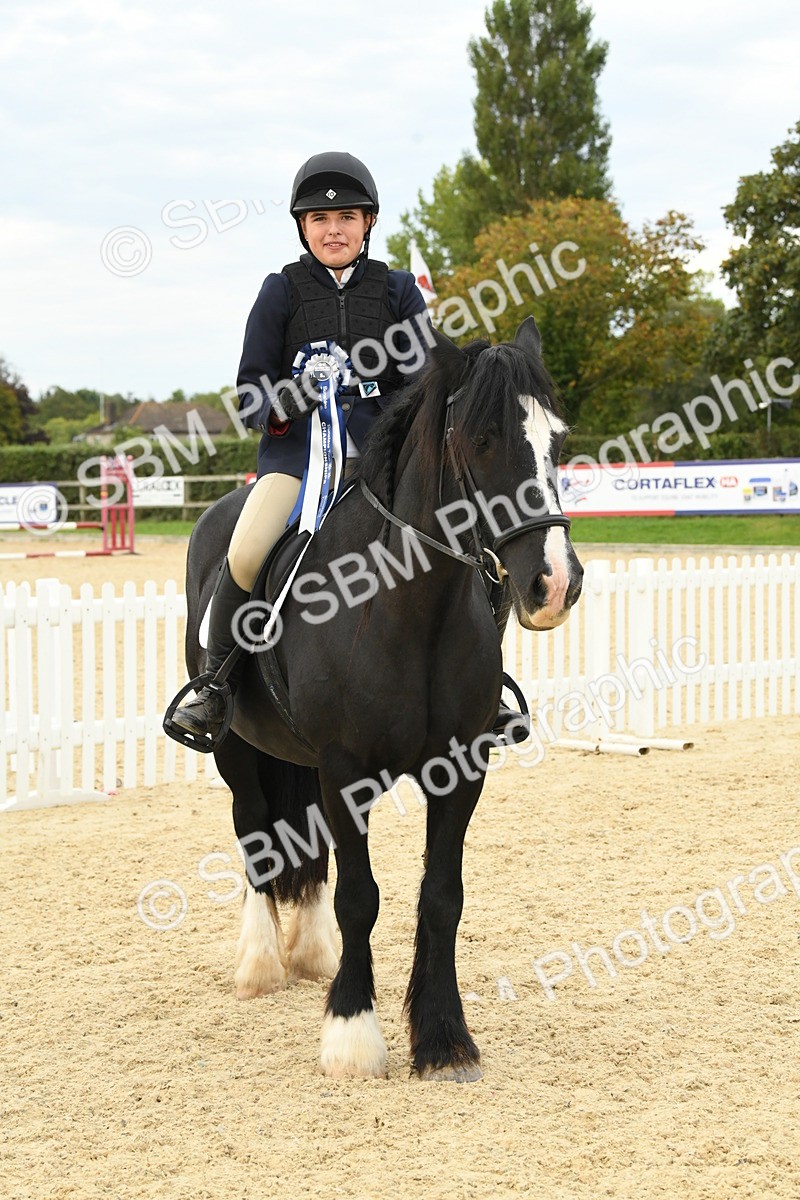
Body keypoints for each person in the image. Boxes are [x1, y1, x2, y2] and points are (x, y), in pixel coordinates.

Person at [170, 151, 527, 746]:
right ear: (303, 228)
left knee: (470, 543)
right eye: (318, 221)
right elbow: (250, 393)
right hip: (296, 465)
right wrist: (291, 397)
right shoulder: (280, 292)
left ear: (367, 224)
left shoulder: (397, 291)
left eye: (346, 219)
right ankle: (216, 684)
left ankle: (483, 688)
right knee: (247, 549)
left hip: (386, 467)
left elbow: (426, 382)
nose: (332, 230)